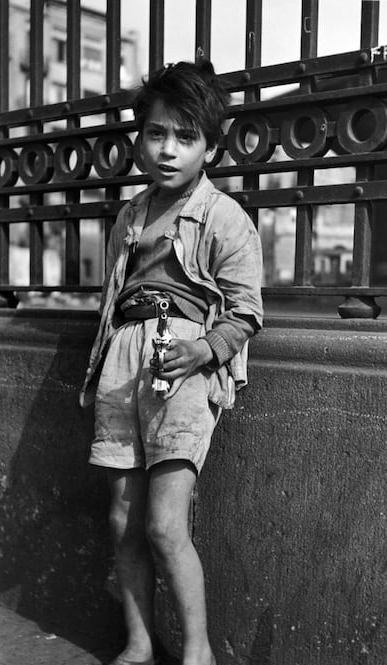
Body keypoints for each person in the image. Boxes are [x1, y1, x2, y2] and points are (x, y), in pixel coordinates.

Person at [80, 59, 263, 665]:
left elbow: (245, 312)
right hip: (123, 362)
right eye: (157, 133)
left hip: (181, 367)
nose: (168, 149)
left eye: (186, 137)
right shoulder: (130, 216)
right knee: (124, 519)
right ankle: (138, 643)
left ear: (210, 147)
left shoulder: (224, 217)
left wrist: (203, 349)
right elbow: (114, 300)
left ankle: (199, 653)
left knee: (163, 525)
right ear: (139, 138)